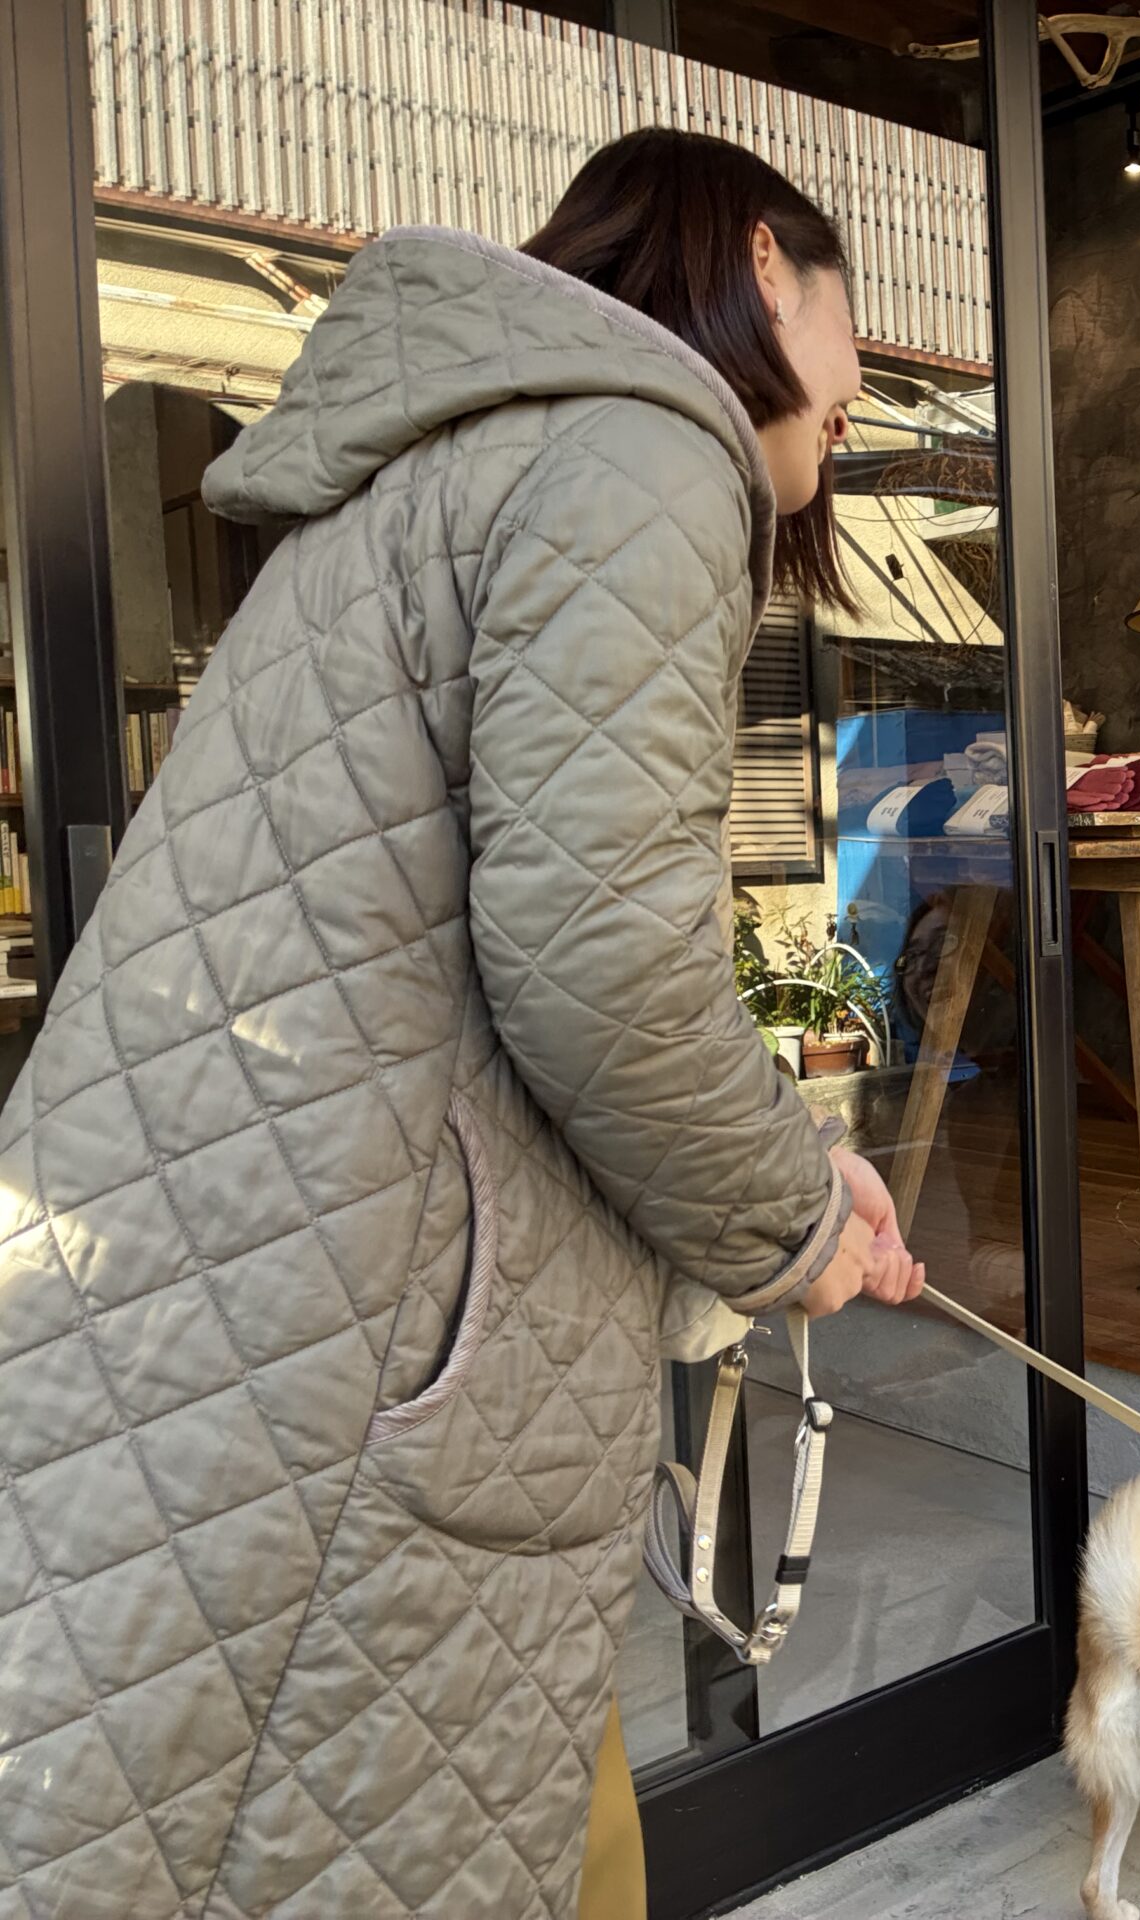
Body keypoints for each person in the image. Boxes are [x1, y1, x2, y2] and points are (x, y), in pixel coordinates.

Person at [0, 130, 917, 1918]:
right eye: (838, 388)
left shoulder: (442, 463)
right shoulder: (648, 448)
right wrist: (793, 1222)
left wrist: (786, 1179)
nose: (827, 446)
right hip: (365, 1334)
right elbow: (601, 958)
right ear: (751, 263)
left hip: (245, 1287)